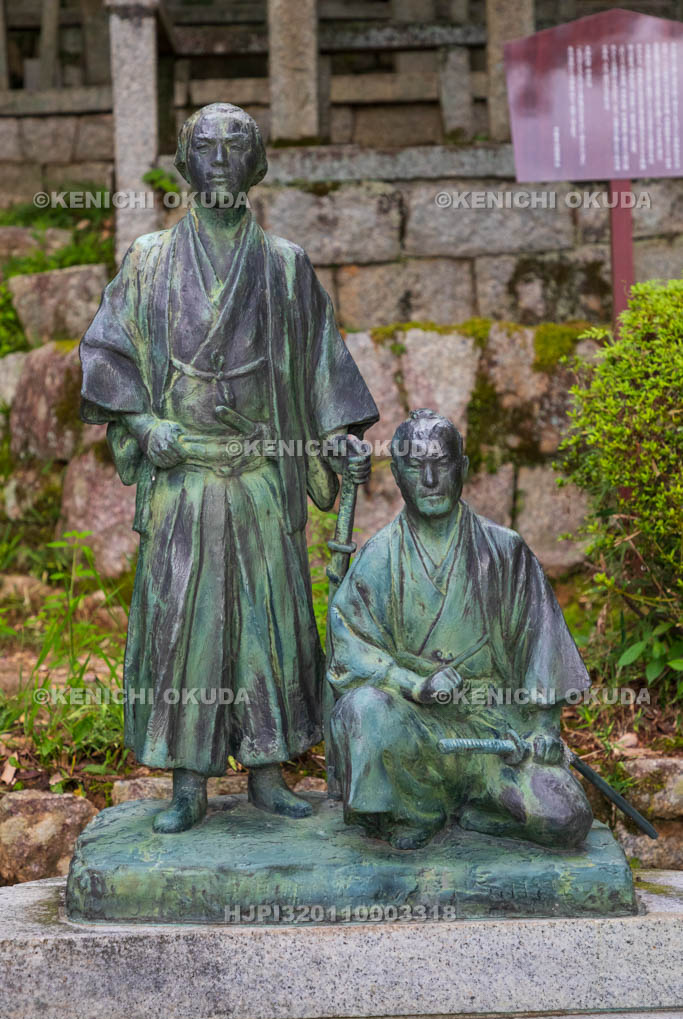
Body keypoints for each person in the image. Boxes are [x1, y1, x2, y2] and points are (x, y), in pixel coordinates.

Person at [79, 103, 378, 833]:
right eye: (204, 146)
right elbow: (106, 356)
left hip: (258, 475)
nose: (218, 158)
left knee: (266, 623)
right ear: (185, 162)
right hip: (183, 477)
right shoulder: (148, 261)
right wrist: (143, 426)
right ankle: (186, 780)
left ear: (254, 163)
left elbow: (320, 365)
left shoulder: (284, 266)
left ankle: (268, 771)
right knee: (187, 624)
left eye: (233, 145)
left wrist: (338, 434)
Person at [327, 409, 592, 851]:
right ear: (396, 475)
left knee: (566, 818)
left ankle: (480, 812)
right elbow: (348, 650)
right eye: (415, 466)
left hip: (494, 736)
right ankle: (415, 808)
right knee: (364, 710)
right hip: (416, 735)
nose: (429, 479)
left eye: (441, 463)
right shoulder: (379, 557)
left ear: (463, 468)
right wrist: (414, 684)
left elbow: (543, 650)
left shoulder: (505, 551)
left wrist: (543, 731)